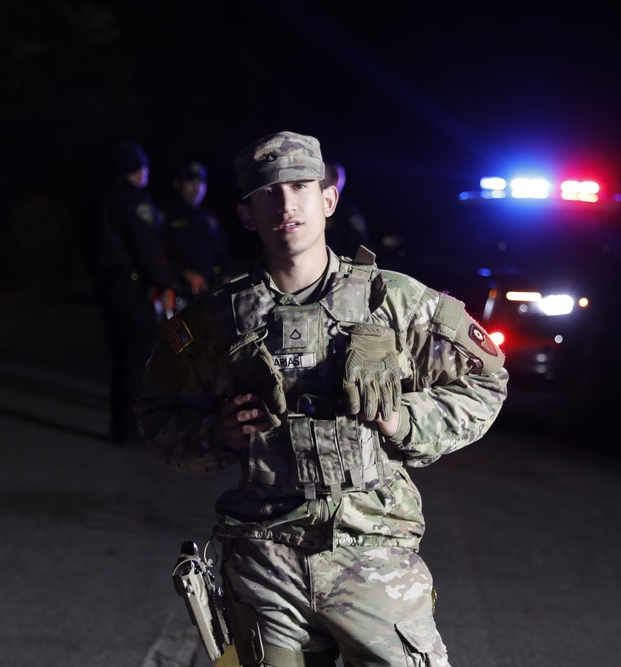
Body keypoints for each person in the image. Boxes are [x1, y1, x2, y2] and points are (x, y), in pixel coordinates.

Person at [136, 131, 508, 666]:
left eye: (301, 187)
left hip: (371, 550)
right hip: (264, 559)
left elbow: (487, 379)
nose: (286, 204)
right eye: (268, 193)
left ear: (328, 200)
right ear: (247, 214)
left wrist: (406, 421)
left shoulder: (394, 299)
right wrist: (215, 435)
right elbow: (156, 412)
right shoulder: (215, 319)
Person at [90, 141, 176, 446]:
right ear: (136, 169)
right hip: (131, 288)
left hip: (110, 286)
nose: (147, 173)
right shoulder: (136, 201)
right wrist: (165, 281)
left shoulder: (105, 198)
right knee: (136, 358)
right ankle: (129, 429)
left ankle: (121, 424)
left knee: (121, 356)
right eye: (145, 167)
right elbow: (147, 248)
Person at [160, 161, 233, 307]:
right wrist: (184, 273)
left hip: (208, 294)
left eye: (201, 182)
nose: (197, 187)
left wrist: (226, 276)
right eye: (190, 182)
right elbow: (156, 255)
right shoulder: (166, 216)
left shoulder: (209, 219)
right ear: (178, 184)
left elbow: (222, 251)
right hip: (177, 295)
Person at [323, 160, 372, 258]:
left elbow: (360, 248)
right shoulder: (313, 209)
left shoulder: (348, 214)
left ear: (335, 181)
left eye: (322, 179)